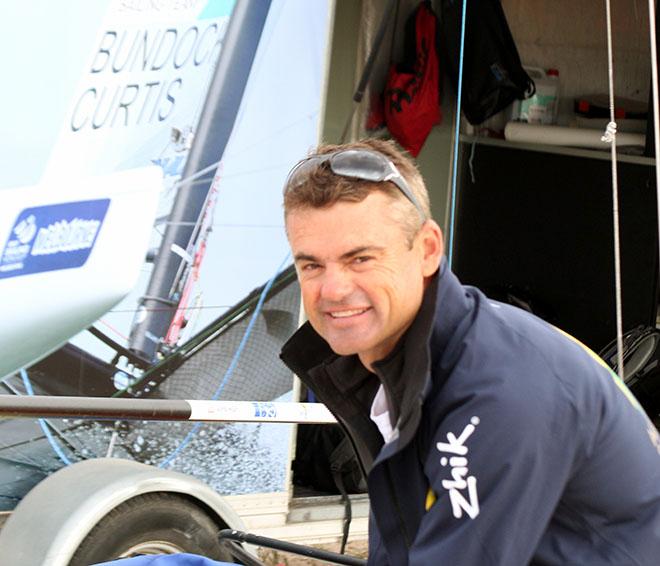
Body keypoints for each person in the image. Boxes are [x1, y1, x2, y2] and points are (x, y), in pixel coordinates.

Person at [279, 138, 660, 565]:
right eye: (311, 265)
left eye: (361, 258)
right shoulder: (401, 364)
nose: (332, 289)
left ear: (427, 250)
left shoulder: (497, 391)